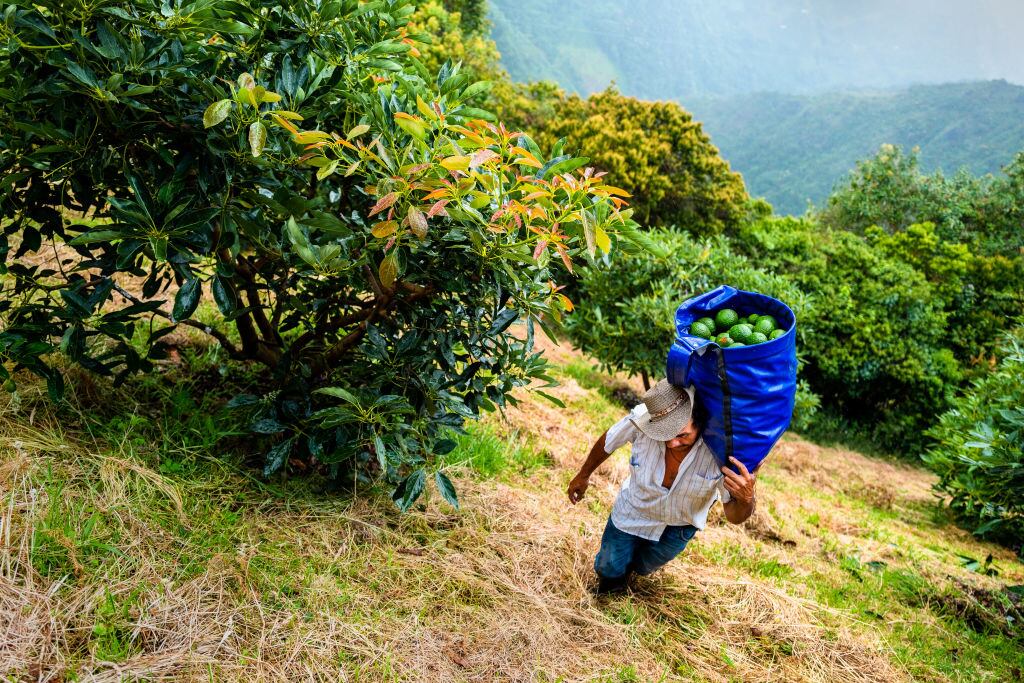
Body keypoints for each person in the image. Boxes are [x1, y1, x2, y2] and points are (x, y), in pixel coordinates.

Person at [567, 378, 758, 593]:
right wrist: (583, 475)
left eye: (682, 435)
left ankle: (629, 572)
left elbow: (734, 517)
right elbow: (610, 439)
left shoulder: (721, 452)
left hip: (678, 525)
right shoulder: (643, 419)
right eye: (665, 434)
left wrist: (746, 498)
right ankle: (613, 584)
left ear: (701, 422)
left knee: (643, 566)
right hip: (634, 510)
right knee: (608, 566)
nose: (672, 443)